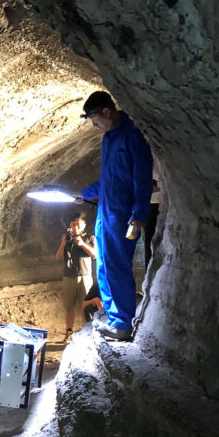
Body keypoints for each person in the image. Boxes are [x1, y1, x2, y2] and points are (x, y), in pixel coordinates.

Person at [77, 91, 153, 341]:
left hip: (122, 215)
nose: (95, 126)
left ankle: (122, 324)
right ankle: (113, 318)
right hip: (104, 213)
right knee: (104, 266)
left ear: (107, 112)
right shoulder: (108, 139)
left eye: (95, 120)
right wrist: (83, 193)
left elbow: (142, 177)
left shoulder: (133, 135)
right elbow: (108, 179)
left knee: (117, 265)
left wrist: (139, 213)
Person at [55, 212, 97, 341]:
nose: (75, 227)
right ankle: (69, 332)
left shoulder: (90, 238)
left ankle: (86, 333)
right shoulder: (66, 239)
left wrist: (82, 244)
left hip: (85, 277)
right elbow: (58, 258)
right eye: (73, 224)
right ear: (70, 225)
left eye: (78, 225)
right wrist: (63, 243)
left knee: (85, 305)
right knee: (69, 306)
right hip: (69, 277)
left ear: (84, 225)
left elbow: (95, 254)